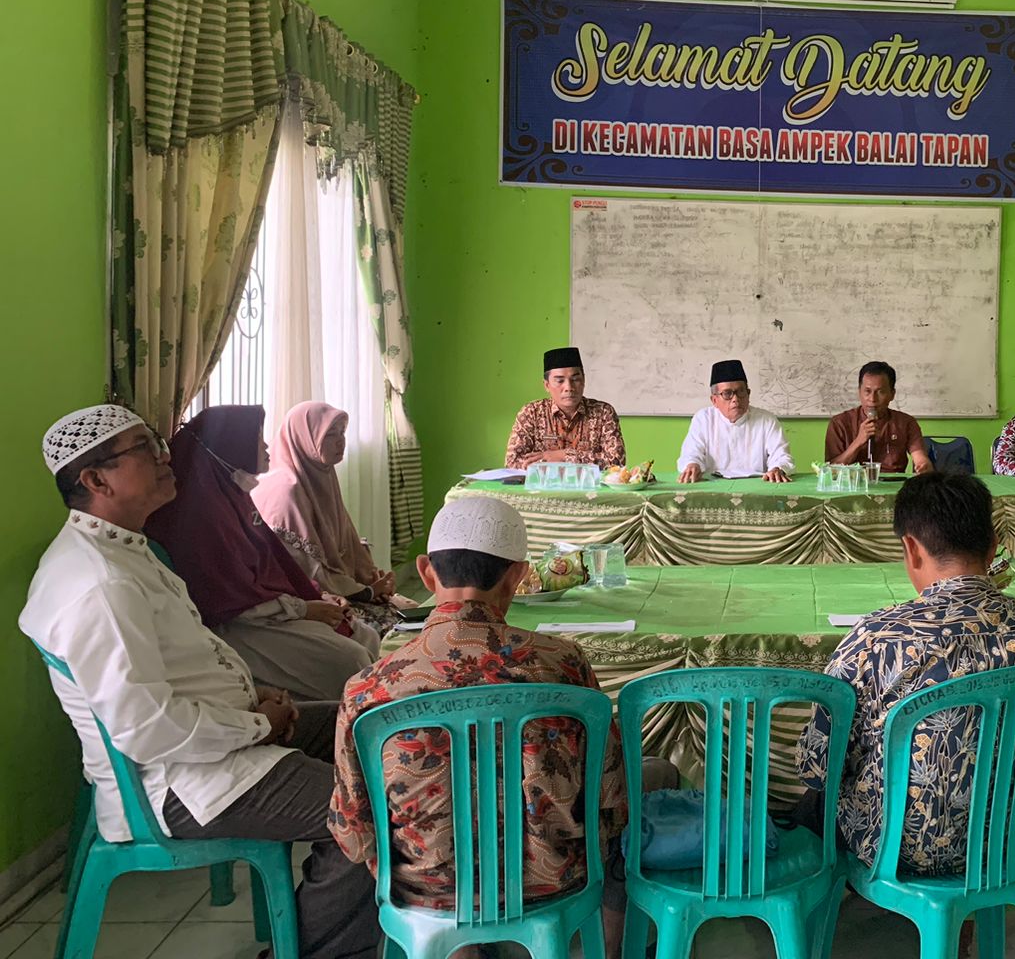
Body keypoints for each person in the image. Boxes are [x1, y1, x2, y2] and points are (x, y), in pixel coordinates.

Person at [20, 404, 381, 959]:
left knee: (372, 729)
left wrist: (253, 702)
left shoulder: (124, 548)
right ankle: (320, 949)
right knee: (377, 809)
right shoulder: (100, 584)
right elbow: (146, 729)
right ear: (95, 480)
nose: (168, 457)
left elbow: (181, 667)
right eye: (146, 449)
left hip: (214, 749)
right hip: (183, 784)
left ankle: (345, 914)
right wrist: (258, 724)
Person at [329, 496, 671, 959]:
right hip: (554, 878)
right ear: (518, 576)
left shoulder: (370, 688)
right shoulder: (562, 664)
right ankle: (607, 950)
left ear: (427, 572)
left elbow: (353, 830)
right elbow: (613, 797)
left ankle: (457, 945)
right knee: (648, 782)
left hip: (424, 888)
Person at [794, 471, 1015, 875]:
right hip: (1000, 842)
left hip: (895, 848)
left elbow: (817, 766)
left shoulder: (877, 639)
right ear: (994, 545)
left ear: (911, 548)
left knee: (815, 803)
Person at [145, 406, 376, 702]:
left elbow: (274, 563)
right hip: (237, 624)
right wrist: (303, 608)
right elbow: (224, 597)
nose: (266, 446)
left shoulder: (233, 493)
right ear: (232, 444)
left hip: (269, 609)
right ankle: (339, 724)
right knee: (350, 659)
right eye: (256, 438)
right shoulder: (201, 516)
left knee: (364, 635)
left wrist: (315, 597)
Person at [254, 401, 403, 634]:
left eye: (342, 432)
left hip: (341, 588)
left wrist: (373, 578)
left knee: (412, 613)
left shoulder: (322, 473)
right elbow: (304, 568)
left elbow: (347, 540)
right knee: (390, 631)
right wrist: (367, 591)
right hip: (307, 601)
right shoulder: (286, 489)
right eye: (329, 434)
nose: (340, 441)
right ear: (304, 437)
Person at [505, 346, 626, 469]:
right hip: (544, 487)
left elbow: (616, 462)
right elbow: (513, 462)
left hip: (590, 488)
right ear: (547, 385)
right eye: (560, 381)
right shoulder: (531, 413)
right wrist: (549, 462)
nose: (569, 387)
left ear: (583, 380)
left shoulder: (603, 412)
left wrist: (564, 456)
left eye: (575, 379)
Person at [677, 359, 794, 483]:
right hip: (713, 488)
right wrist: (692, 464)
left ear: (748, 394)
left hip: (757, 487)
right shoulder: (703, 419)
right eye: (727, 393)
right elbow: (691, 453)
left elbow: (781, 455)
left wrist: (778, 468)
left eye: (741, 392)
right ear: (714, 400)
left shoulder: (766, 420)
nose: (735, 399)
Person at [823, 361, 933, 475]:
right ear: (859, 392)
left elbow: (920, 458)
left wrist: (923, 465)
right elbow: (831, 470)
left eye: (880, 392)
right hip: (852, 487)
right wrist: (858, 441)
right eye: (867, 391)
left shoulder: (906, 422)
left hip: (893, 486)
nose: (872, 399)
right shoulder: (840, 422)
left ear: (892, 394)